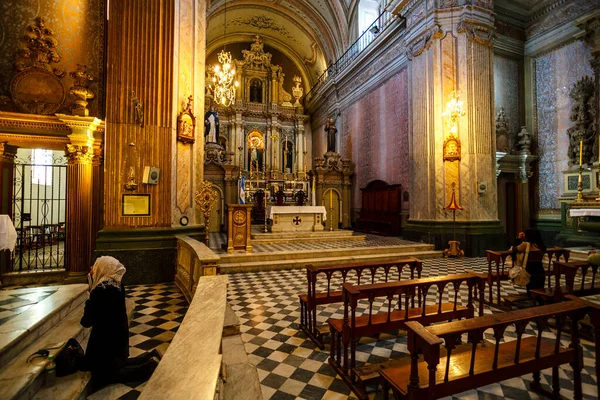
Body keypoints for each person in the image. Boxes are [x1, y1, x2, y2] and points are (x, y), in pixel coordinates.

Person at [81, 256, 160, 391]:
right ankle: (148, 357)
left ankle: (148, 367)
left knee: (104, 375)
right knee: (120, 364)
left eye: (96, 267)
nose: (93, 270)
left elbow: (86, 321)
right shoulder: (117, 286)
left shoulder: (100, 291)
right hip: (118, 342)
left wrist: (90, 295)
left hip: (105, 346)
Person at [511, 228, 546, 295]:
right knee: (539, 287)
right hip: (539, 267)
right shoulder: (541, 245)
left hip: (530, 268)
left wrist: (518, 238)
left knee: (531, 288)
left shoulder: (525, 244)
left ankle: (533, 301)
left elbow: (515, 248)